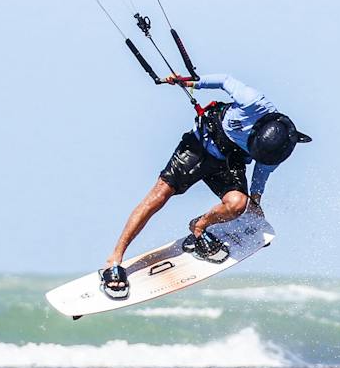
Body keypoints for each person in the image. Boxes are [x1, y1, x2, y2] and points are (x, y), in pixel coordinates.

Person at [100, 73, 311, 300]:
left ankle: (199, 227)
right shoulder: (253, 102)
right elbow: (225, 81)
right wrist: (190, 82)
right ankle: (114, 260)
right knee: (159, 195)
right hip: (198, 146)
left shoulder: (278, 150)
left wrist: (255, 204)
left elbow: (260, 176)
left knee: (238, 204)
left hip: (229, 162)